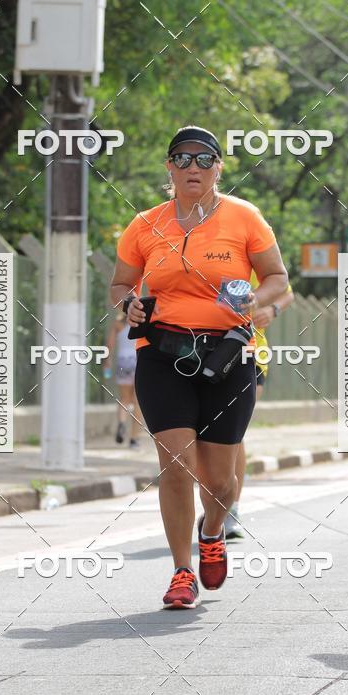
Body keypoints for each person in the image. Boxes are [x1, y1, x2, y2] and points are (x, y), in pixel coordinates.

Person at [110, 125, 288, 608]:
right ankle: (181, 572)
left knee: (219, 478)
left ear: (218, 167)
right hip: (163, 354)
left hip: (230, 354)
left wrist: (256, 299)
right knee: (173, 465)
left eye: (203, 159)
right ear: (168, 167)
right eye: (182, 159)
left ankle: (212, 531)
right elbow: (120, 285)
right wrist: (129, 305)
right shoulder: (145, 224)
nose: (193, 168)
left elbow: (278, 279)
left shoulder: (244, 218)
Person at [225, 280, 294, 539]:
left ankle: (231, 511)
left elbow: (287, 291)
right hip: (200, 353)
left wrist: (273, 309)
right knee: (202, 438)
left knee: (233, 433)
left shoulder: (251, 248)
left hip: (249, 353)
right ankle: (216, 503)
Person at [104, 312, 143, 449]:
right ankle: (134, 439)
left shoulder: (118, 324)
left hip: (123, 363)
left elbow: (109, 345)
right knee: (137, 402)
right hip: (137, 361)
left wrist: (107, 362)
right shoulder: (141, 322)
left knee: (124, 399)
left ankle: (121, 423)